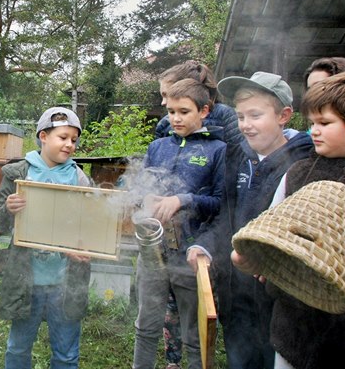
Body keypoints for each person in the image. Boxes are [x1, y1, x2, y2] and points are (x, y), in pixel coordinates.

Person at [232, 70, 345, 368]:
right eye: (312, 123)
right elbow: (272, 234)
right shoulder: (300, 173)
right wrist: (253, 257)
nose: (313, 131)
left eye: (325, 123)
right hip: (292, 333)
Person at [186, 71, 313, 369]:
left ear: (284, 115)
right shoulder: (237, 157)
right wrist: (204, 245)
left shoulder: (304, 165)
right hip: (236, 297)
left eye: (255, 115)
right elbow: (226, 216)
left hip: (279, 305)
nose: (245, 125)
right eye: (241, 116)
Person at [154, 60, 243, 369]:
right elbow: (157, 164)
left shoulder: (225, 128)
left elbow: (224, 189)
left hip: (206, 234)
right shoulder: (167, 125)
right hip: (169, 237)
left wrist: (188, 200)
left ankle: (199, 358)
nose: (167, 106)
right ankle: (172, 361)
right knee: (170, 309)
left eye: (172, 97)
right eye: (167, 103)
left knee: (197, 309)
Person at [133, 78, 226, 369]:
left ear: (204, 111)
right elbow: (138, 189)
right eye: (171, 111)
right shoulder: (158, 146)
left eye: (184, 111)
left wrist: (183, 199)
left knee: (193, 335)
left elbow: (222, 204)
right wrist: (144, 196)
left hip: (191, 256)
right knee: (145, 327)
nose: (175, 118)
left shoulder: (218, 150)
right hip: (152, 252)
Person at [0, 107, 92, 369]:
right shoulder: (18, 174)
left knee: (66, 353)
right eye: (63, 137)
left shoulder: (79, 178)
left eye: (74, 139)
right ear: (43, 136)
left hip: (65, 281)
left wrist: (81, 246)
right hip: (27, 281)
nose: (70, 144)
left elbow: (89, 227)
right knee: (18, 349)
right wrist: (8, 209)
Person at [156, 60, 243, 145]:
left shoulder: (225, 116)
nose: (163, 103)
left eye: (166, 95)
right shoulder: (164, 124)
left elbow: (241, 153)